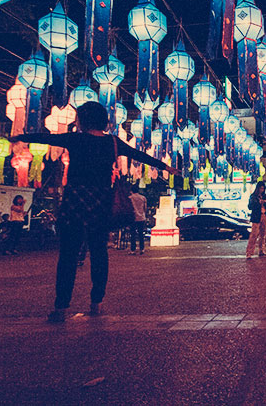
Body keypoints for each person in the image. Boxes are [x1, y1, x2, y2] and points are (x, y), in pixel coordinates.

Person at [12, 101, 177, 323]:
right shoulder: (112, 142)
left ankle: (61, 307)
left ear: (83, 120)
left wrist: (22, 137)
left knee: (68, 255)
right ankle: (96, 302)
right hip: (101, 203)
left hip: (75, 202)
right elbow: (139, 155)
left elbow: (47, 138)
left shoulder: (76, 138)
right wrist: (166, 167)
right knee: (99, 252)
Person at [245, 182, 266, 258]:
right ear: (257, 188)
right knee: (254, 234)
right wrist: (258, 203)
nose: (262, 190)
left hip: (264, 216)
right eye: (260, 188)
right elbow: (250, 206)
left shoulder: (265, 196)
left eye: (263, 188)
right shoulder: (253, 196)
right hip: (256, 216)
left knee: (263, 235)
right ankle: (249, 252)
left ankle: (261, 250)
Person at [128, 186, 147, 255]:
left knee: (133, 234)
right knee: (141, 234)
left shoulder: (130, 198)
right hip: (141, 218)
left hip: (133, 218)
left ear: (131, 191)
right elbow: (145, 208)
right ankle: (142, 249)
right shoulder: (143, 198)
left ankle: (133, 250)